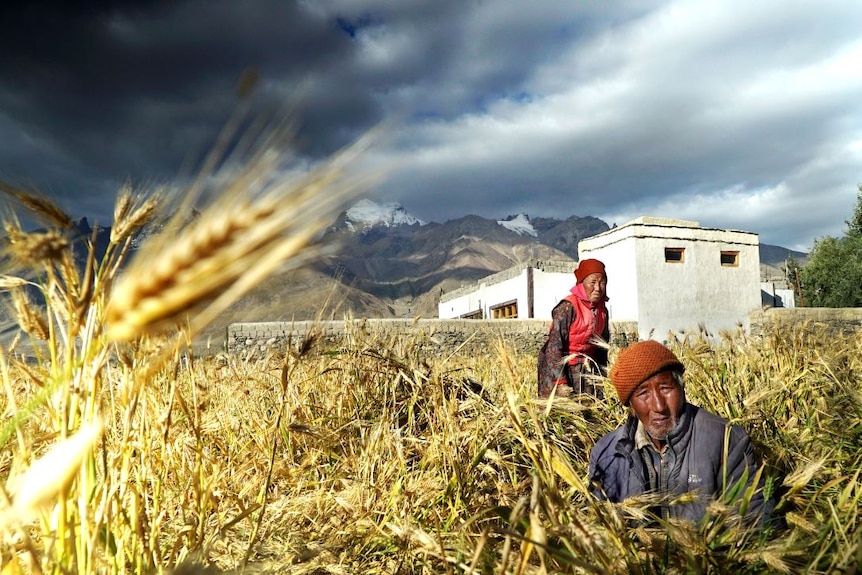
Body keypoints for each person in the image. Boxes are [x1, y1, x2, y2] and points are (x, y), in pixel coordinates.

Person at [588, 340, 773, 524]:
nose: (659, 406)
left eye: (666, 388)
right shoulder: (607, 455)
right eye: (643, 394)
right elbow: (599, 530)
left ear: (682, 389)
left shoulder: (725, 441)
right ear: (631, 407)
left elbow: (753, 524)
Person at [537, 258, 609, 398]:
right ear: (582, 284)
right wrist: (561, 382)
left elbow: (602, 348)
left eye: (602, 282)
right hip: (558, 368)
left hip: (585, 368)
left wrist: (602, 378)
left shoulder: (602, 311)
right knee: (562, 413)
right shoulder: (568, 307)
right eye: (592, 282)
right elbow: (553, 347)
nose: (598, 288)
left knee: (591, 411)